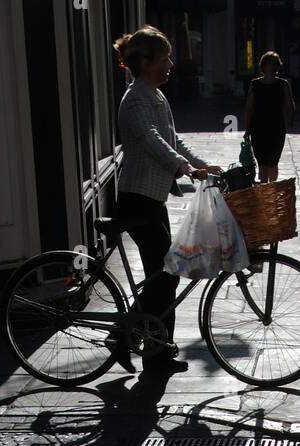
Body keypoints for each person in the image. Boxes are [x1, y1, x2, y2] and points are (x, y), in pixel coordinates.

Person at [113, 27, 221, 374]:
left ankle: (148, 347)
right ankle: (133, 340)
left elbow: (173, 140)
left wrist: (202, 165)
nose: (171, 64)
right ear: (146, 63)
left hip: (152, 200)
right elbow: (151, 139)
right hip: (137, 200)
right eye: (164, 59)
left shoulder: (155, 96)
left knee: (164, 274)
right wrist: (182, 167)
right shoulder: (136, 99)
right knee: (165, 275)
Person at [244, 52, 295, 184]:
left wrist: (290, 120)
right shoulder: (255, 84)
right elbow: (249, 107)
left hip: (276, 128)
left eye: (275, 64)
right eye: (270, 64)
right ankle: (264, 188)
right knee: (261, 161)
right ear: (263, 66)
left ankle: (272, 187)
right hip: (258, 127)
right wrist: (247, 129)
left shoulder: (283, 84)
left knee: (273, 161)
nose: (273, 67)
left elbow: (290, 104)